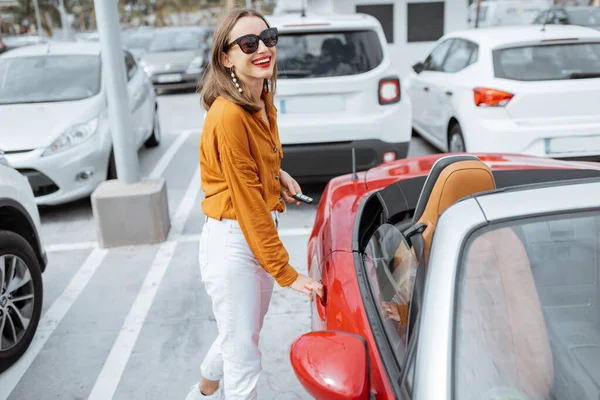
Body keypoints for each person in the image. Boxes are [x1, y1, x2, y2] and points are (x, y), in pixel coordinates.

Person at [186, 8, 324, 400]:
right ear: (226, 57)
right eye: (249, 43)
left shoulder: (261, 95)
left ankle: (204, 390)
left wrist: (276, 176)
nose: (263, 48)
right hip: (232, 241)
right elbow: (245, 202)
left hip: (254, 234)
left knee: (241, 333)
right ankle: (210, 389)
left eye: (268, 38)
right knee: (244, 358)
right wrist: (286, 271)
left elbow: (253, 164)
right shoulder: (227, 114)